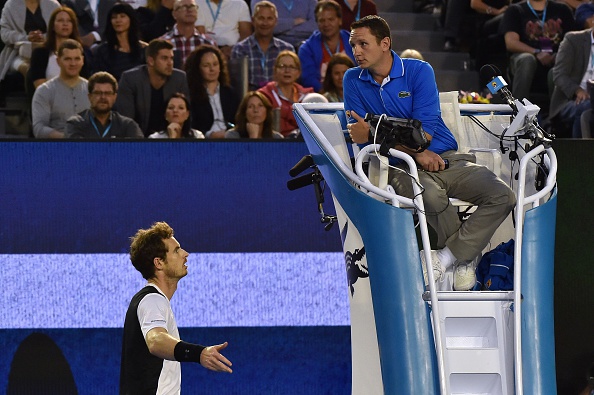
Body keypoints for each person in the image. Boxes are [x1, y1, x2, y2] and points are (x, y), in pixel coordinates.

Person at [344, 15, 516, 291]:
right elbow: (359, 136)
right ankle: (465, 258)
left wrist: (377, 131)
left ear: (385, 43)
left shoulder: (419, 70)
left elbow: (423, 133)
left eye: (363, 44)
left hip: (447, 158)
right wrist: (414, 153)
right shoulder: (352, 79)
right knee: (432, 198)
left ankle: (448, 257)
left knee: (503, 195)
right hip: (398, 165)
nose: (356, 52)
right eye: (353, 45)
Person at [120, 221, 232, 394]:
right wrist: (198, 353)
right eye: (176, 250)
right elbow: (156, 340)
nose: (185, 254)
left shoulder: (153, 300)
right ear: (159, 263)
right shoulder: (152, 300)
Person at [500, 0, 575, 106]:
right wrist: (536, 52)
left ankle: (558, 115)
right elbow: (511, 43)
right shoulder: (515, 10)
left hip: (557, 57)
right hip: (525, 57)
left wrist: (558, 56)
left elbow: (573, 41)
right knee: (527, 60)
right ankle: (519, 112)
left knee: (559, 67)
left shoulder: (562, 9)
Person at [115, 38, 190, 136]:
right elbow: (126, 121)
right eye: (164, 58)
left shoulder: (179, 78)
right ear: (151, 61)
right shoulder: (130, 79)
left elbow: (185, 116)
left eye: (171, 58)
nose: (170, 63)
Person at [230, 1, 295, 91]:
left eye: (269, 18)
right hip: (251, 101)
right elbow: (237, 86)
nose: (265, 23)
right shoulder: (240, 49)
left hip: (279, 100)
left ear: (276, 22)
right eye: (261, 18)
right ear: (253, 21)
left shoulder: (286, 49)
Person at [31, 39, 90, 138]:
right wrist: (66, 138)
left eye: (77, 59)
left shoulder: (92, 89)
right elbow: (39, 128)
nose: (73, 63)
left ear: (82, 60)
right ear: (58, 61)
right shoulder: (44, 91)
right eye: (67, 59)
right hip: (56, 147)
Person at [297, 0, 355, 92]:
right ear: (317, 23)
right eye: (322, 20)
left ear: (340, 21)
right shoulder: (307, 49)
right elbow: (308, 79)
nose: (326, 24)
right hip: (321, 95)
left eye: (331, 19)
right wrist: (328, 95)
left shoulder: (355, 43)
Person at [65, 71, 143, 138]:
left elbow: (138, 152)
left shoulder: (128, 125)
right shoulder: (75, 124)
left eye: (108, 93)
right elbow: (76, 152)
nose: (103, 97)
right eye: (98, 93)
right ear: (90, 97)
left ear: (114, 97)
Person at [184, 44, 239, 138]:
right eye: (206, 65)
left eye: (215, 64)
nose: (212, 69)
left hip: (230, 138)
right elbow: (191, 125)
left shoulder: (230, 92)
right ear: (198, 69)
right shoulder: (191, 94)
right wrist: (210, 135)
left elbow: (238, 121)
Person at [549, 24, 594, 138]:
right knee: (585, 108)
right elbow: (559, 75)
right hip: (571, 99)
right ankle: (580, 153)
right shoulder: (573, 40)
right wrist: (578, 91)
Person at [28, 6, 88, 90]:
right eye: (60, 20)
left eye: (69, 21)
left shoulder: (83, 51)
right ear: (52, 25)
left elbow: (86, 84)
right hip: (48, 99)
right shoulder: (40, 53)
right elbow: (40, 87)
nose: (65, 24)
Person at [0, 0, 60, 82]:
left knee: (51, 69)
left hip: (49, 51)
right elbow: (4, 34)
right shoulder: (11, 5)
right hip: (17, 54)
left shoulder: (53, 4)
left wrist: (42, 37)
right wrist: (26, 38)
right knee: (28, 69)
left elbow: (61, 30)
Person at [258, 50, 313, 137]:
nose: (287, 70)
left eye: (292, 67)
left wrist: (283, 113)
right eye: (282, 66)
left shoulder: (308, 96)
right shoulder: (264, 95)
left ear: (298, 73)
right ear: (275, 71)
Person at [91, 2, 147, 81]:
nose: (118, 20)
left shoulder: (144, 50)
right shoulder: (103, 51)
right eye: (114, 17)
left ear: (131, 19)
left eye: (122, 16)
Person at [159, 0, 216, 68]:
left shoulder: (208, 43)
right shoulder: (163, 43)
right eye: (184, 7)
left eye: (192, 7)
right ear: (174, 14)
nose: (189, 10)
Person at [251, 0, 318, 47]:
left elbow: (315, 26)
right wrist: (293, 22)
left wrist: (282, 29)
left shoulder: (311, 1)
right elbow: (264, 26)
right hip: (274, 47)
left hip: (308, 47)